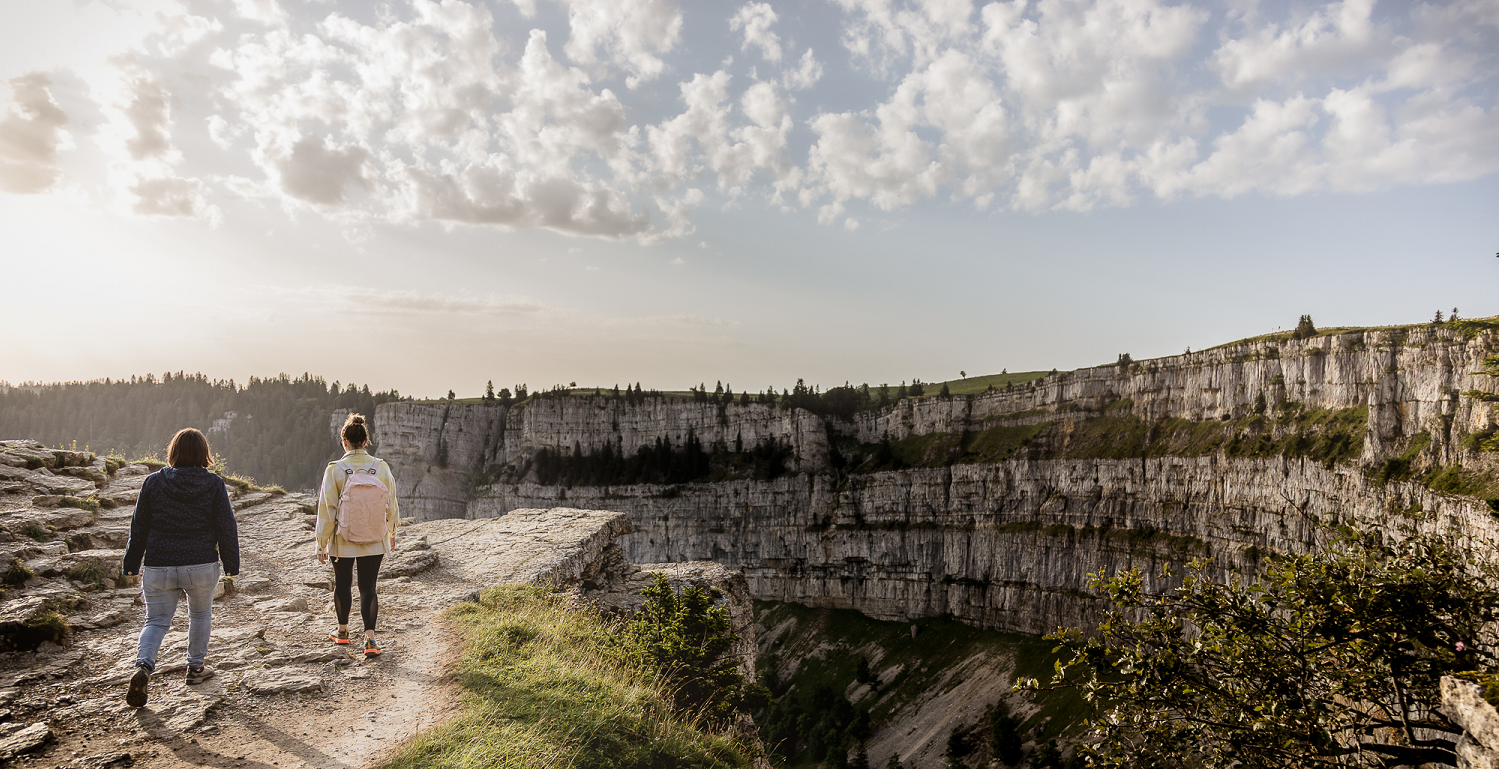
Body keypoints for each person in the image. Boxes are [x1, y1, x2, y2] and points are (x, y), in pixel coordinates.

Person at [121, 427, 240, 708]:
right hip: (200, 564)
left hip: (159, 565)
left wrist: (130, 565)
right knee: (199, 615)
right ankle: (196, 669)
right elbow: (226, 527)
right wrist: (231, 567)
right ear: (204, 454)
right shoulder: (214, 484)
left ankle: (144, 666)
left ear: (172, 452)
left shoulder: (152, 482)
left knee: (156, 621)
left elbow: (138, 526)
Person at [316, 413, 398, 659]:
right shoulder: (381, 468)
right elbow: (392, 504)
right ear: (365, 441)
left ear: (344, 442)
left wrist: (322, 543)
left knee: (343, 584)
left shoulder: (335, 470)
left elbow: (326, 509)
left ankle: (342, 633)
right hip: (374, 539)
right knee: (368, 588)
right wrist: (391, 531)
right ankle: (370, 639)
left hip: (342, 541)